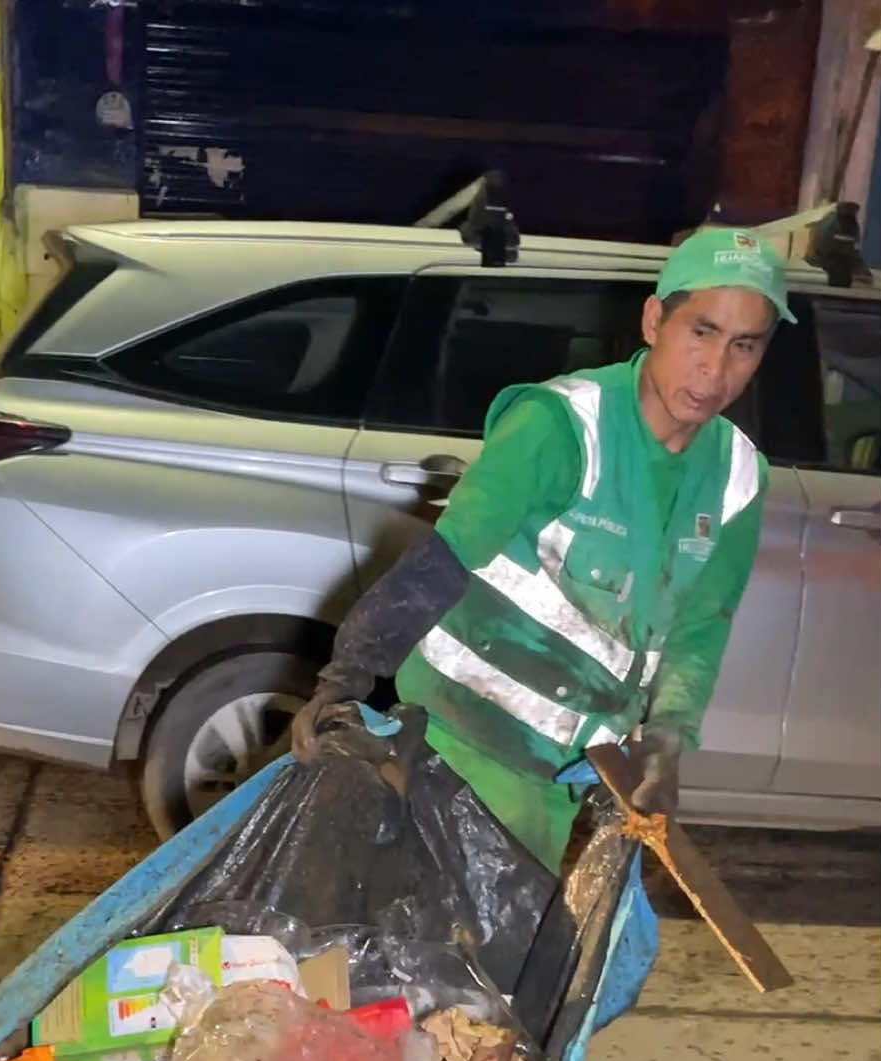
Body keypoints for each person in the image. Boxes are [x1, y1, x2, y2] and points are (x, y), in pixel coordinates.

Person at [292, 226, 793, 874]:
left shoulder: (737, 480)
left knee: (494, 969)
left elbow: (700, 627)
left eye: (743, 346)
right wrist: (344, 680)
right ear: (654, 321)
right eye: (701, 332)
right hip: (446, 754)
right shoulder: (561, 429)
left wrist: (667, 739)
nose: (716, 369)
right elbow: (439, 564)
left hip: (556, 783)